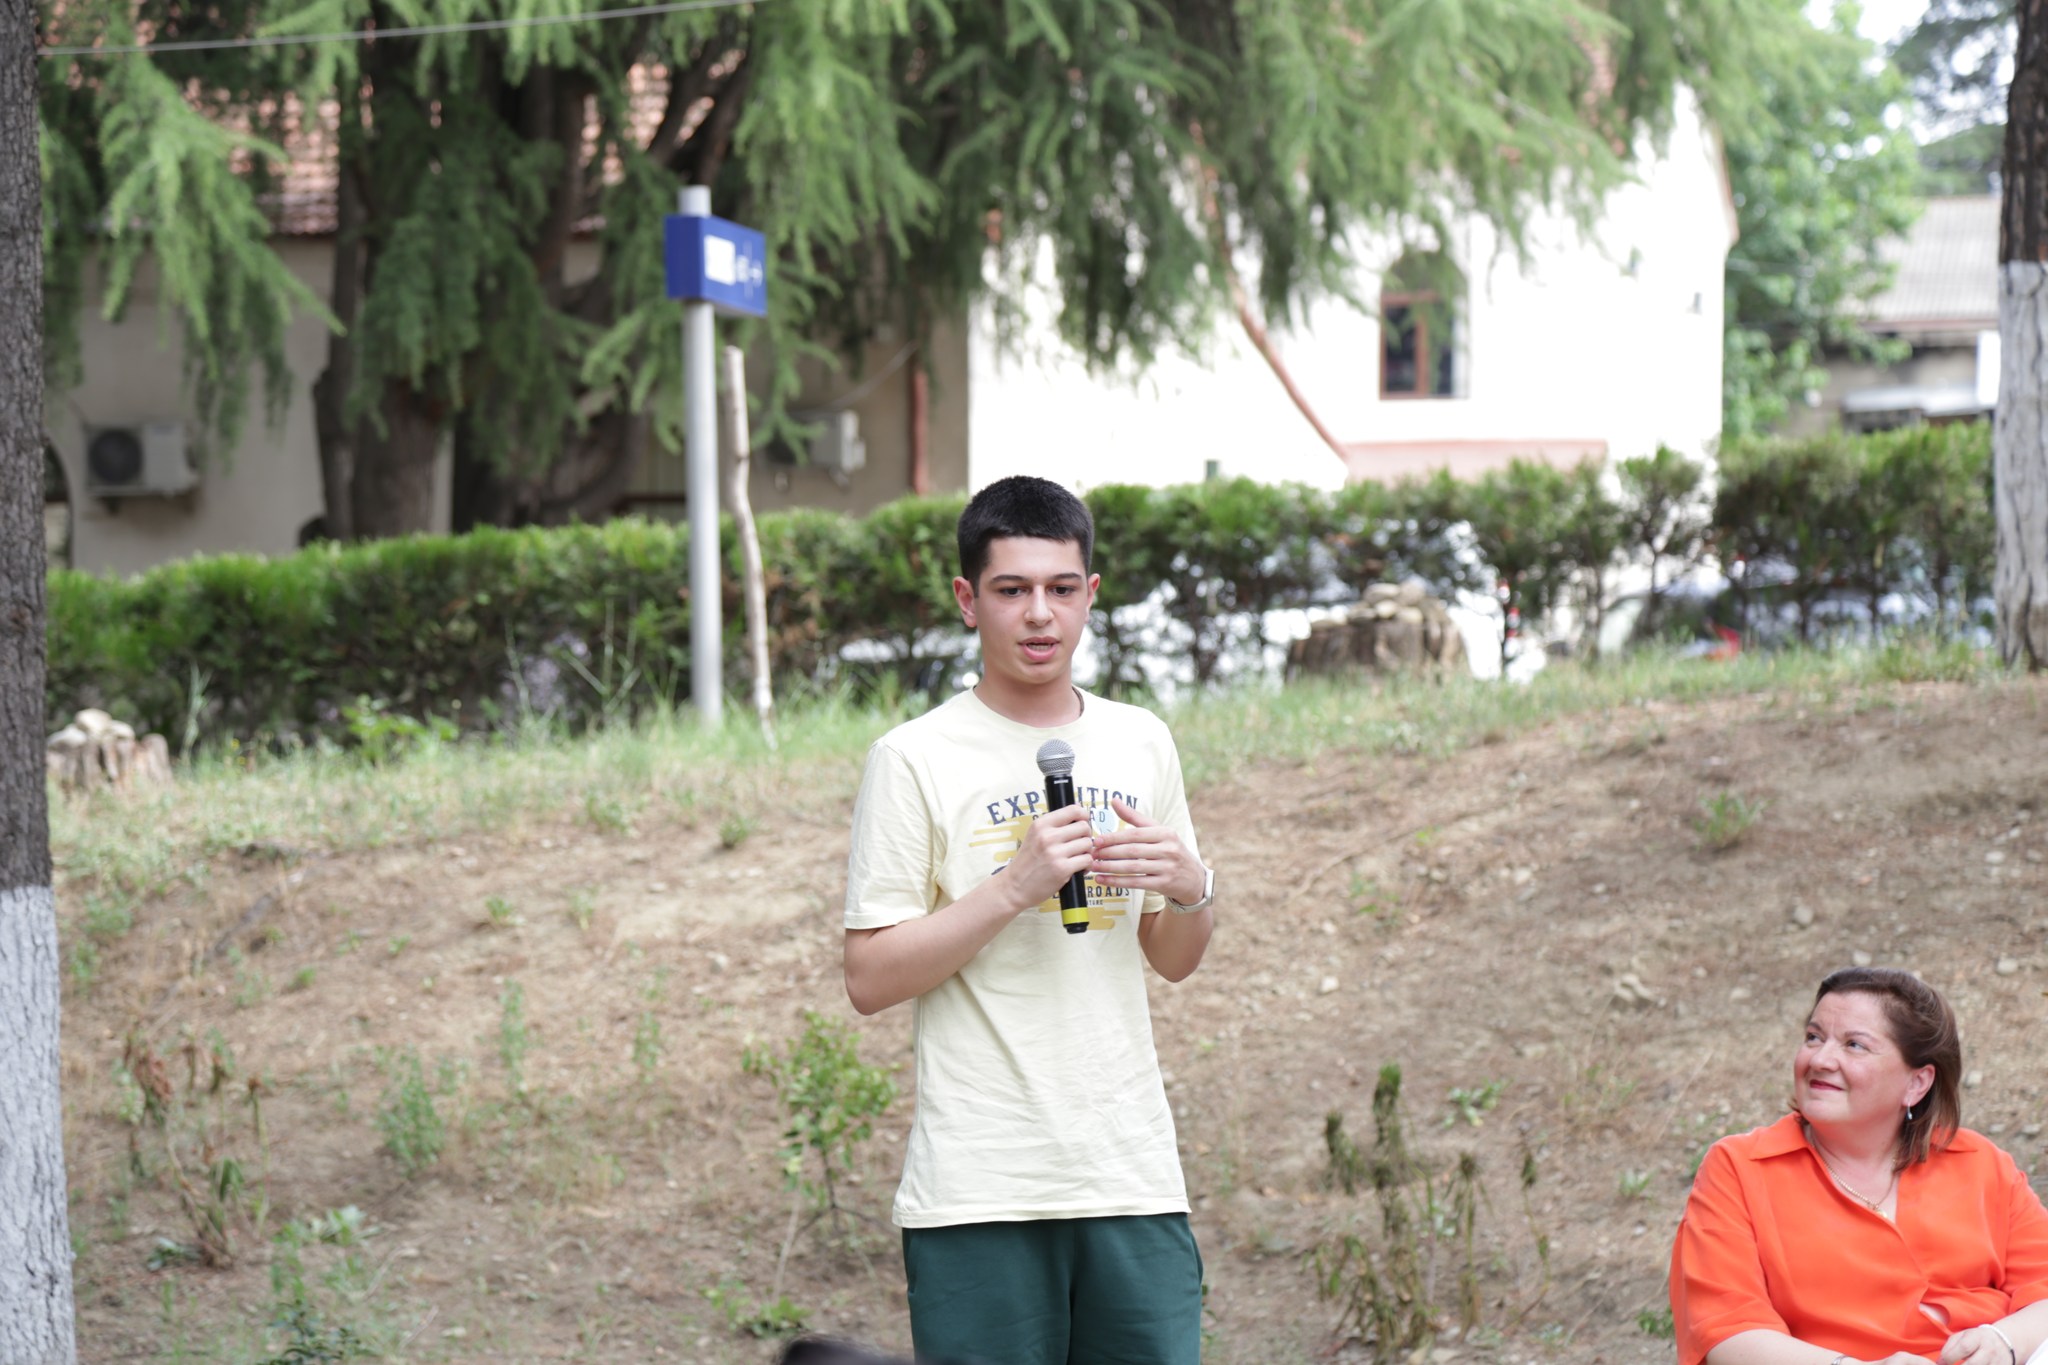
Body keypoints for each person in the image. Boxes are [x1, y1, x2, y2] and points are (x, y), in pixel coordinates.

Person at [841, 476, 1217, 1365]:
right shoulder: (913, 757)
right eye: (1012, 589)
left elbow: (1172, 957)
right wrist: (1012, 887)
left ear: (1091, 594)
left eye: (1060, 587)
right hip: (981, 1188)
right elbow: (870, 976)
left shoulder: (1141, 740)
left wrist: (1193, 890)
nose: (1039, 613)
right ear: (968, 599)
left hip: (1130, 1175)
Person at [1669, 966, 2048, 1365]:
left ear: (1916, 1083)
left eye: (1854, 1045)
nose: (1820, 1059)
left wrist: (2003, 1341)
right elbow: (1727, 1331)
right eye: (1814, 1037)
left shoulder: (1980, 1163)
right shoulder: (1739, 1168)